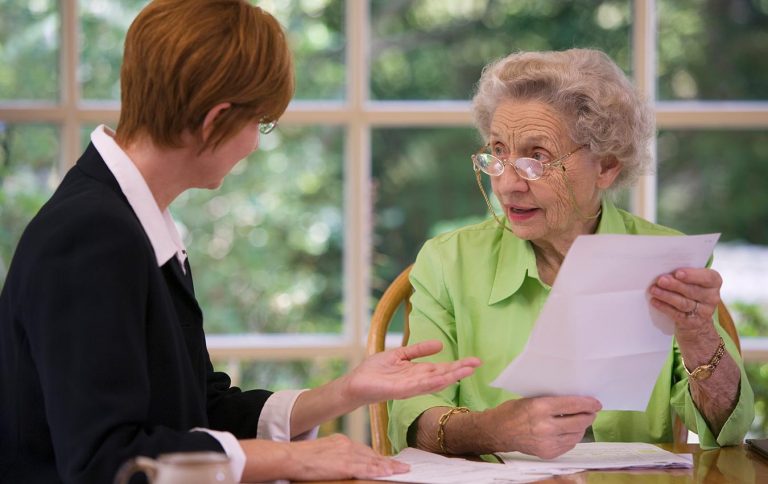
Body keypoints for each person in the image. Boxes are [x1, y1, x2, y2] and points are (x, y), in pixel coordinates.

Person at [0, 1, 482, 482]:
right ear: (216, 120)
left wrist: (344, 392)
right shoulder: (92, 236)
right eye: (261, 123)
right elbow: (107, 460)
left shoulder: (129, 219)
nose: (255, 143)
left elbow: (198, 410)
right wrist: (295, 459)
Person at [388, 48, 754, 459]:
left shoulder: (666, 260)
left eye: (536, 158)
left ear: (607, 166)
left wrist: (699, 336)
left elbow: (728, 432)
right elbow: (411, 420)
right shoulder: (447, 263)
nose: (507, 185)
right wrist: (492, 430)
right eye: (498, 152)